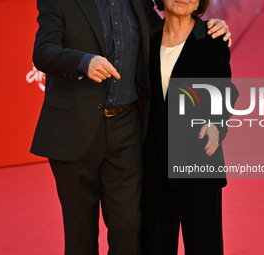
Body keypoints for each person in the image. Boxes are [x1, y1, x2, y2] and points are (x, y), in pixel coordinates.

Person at [30, 0, 231, 254]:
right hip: (75, 132)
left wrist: (210, 28)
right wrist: (83, 62)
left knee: (129, 229)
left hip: (126, 132)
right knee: (81, 235)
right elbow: (43, 51)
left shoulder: (138, 1)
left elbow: (174, 27)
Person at [141, 0, 239, 254]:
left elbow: (224, 91)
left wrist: (216, 125)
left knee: (204, 247)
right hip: (153, 169)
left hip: (198, 164)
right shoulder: (146, 40)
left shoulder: (211, 38)